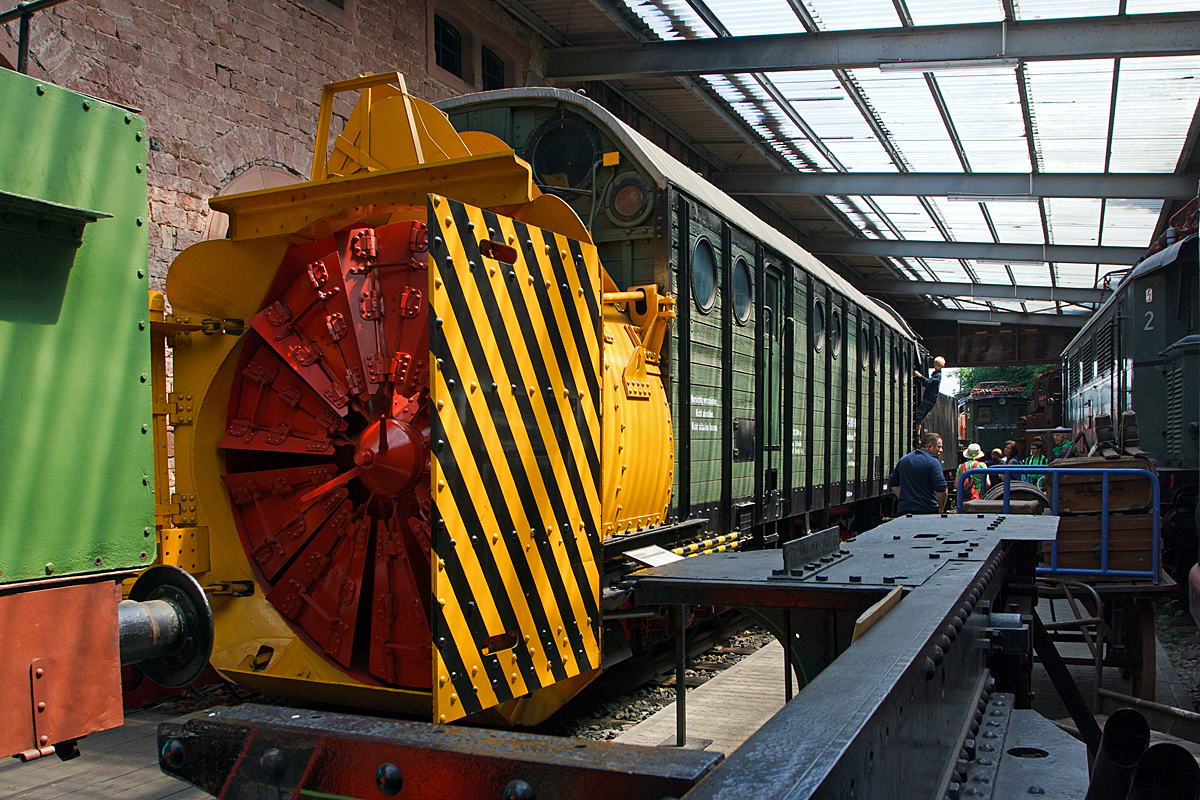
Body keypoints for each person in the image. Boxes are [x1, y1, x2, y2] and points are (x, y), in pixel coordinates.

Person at [889, 432, 948, 515]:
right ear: (930, 446)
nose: (941, 450)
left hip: (905, 510)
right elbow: (941, 488)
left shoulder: (904, 460)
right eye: (939, 447)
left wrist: (903, 498)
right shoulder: (933, 462)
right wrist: (941, 508)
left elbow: (893, 483)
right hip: (927, 510)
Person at [913, 356, 945, 427]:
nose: (936, 367)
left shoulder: (937, 376)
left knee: (918, 417)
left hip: (929, 399)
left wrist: (920, 376)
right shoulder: (935, 375)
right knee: (919, 417)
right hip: (929, 399)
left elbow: (929, 382)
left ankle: (917, 433)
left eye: (938, 365)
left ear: (942, 366)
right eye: (935, 365)